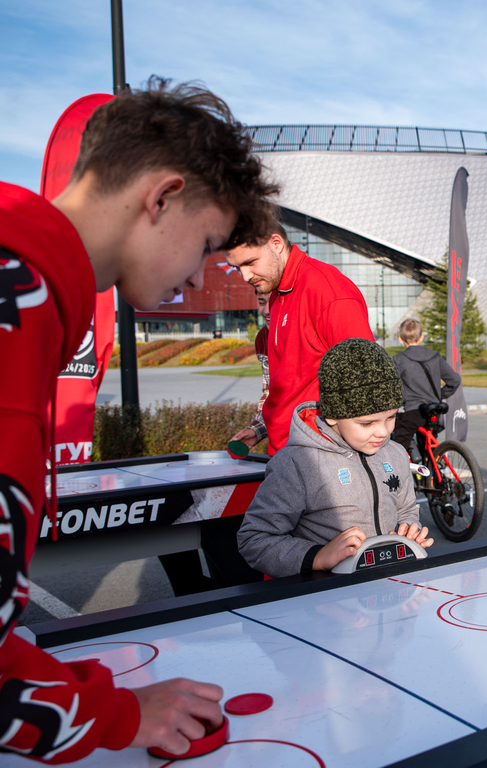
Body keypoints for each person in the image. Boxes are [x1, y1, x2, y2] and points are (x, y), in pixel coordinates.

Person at [0, 77, 278, 761]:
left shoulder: (23, 276)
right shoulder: (20, 305)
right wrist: (110, 716)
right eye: (208, 242)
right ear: (162, 197)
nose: (197, 275)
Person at [238, 338, 432, 577]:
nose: (383, 432)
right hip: (326, 600)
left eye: (391, 417)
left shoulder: (395, 453)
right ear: (332, 415)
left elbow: (406, 509)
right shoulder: (297, 463)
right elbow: (254, 539)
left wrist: (410, 529)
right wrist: (317, 556)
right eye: (366, 422)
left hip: (394, 590)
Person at [223, 223, 374, 455]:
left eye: (250, 262)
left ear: (276, 244)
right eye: (237, 268)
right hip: (286, 454)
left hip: (319, 459)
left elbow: (366, 382)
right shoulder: (277, 294)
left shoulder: (328, 292)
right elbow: (286, 386)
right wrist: (262, 428)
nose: (245, 276)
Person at [391, 318, 462, 454]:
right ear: (422, 337)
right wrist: (439, 394)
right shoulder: (435, 356)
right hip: (434, 409)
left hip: (413, 410)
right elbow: (454, 380)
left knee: (396, 448)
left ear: (400, 339)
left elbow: (393, 388)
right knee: (428, 450)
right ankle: (433, 471)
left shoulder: (399, 359)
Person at [231, 291, 272, 449]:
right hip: (283, 448)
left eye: (273, 303)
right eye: (262, 302)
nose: (266, 311)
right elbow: (270, 393)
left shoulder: (309, 333)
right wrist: (258, 429)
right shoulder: (262, 338)